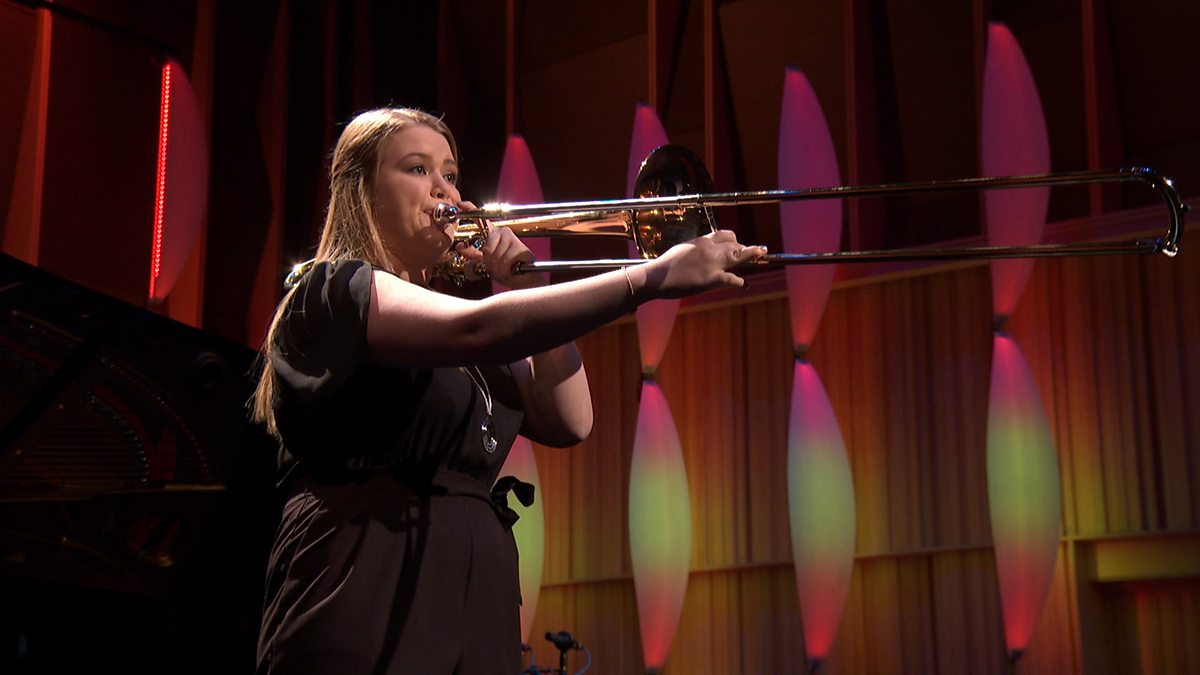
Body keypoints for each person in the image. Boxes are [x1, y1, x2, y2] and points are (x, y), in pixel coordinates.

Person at [251, 107, 766, 675]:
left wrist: (528, 277)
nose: (445, 191)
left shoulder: (468, 342)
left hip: (470, 595)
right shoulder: (332, 287)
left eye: (450, 174)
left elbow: (572, 420)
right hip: (367, 573)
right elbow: (476, 327)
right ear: (362, 190)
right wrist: (650, 277)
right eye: (418, 169)